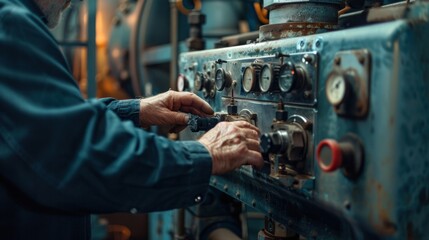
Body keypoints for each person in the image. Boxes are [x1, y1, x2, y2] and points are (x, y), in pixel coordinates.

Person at [0, 0, 264, 239]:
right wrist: (205, 155)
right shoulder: (9, 23)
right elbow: (81, 156)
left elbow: (43, 127)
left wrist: (135, 111)